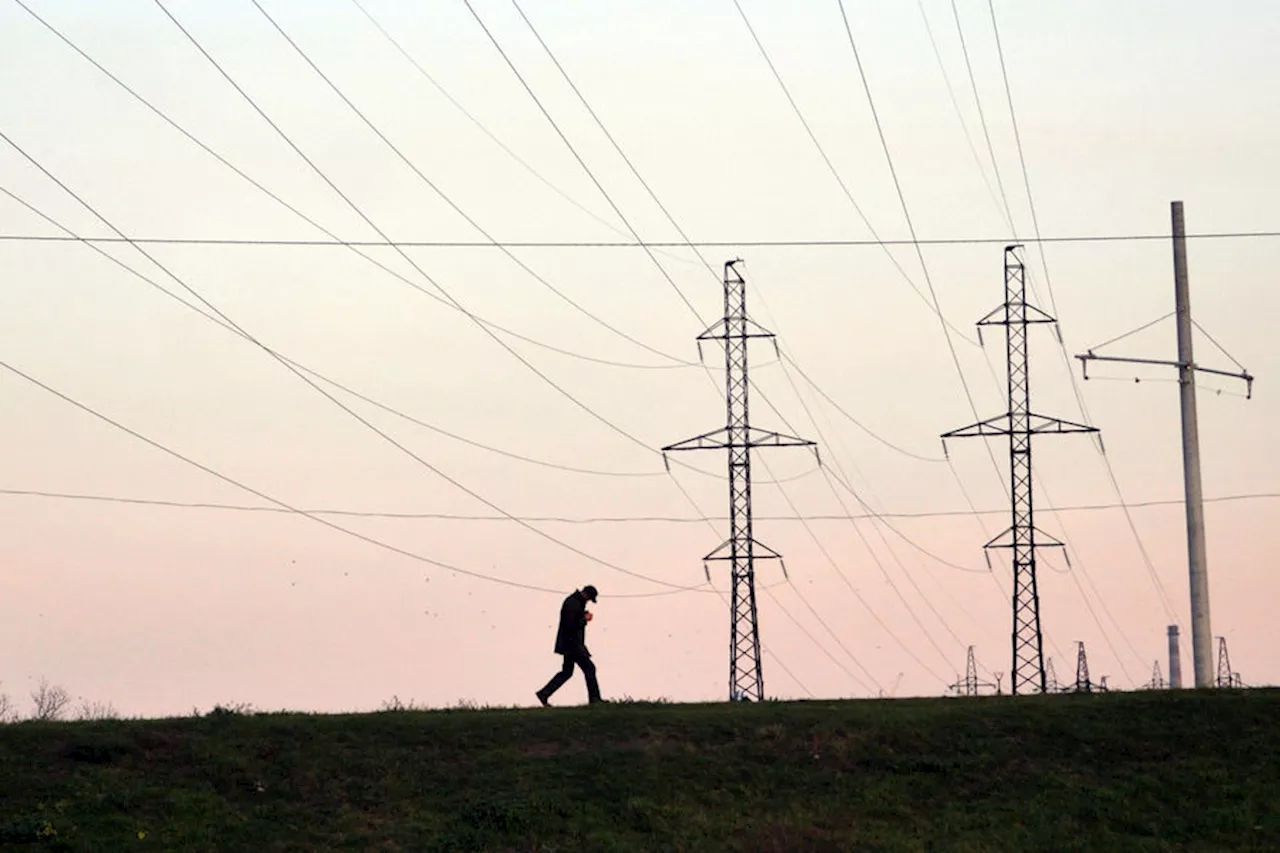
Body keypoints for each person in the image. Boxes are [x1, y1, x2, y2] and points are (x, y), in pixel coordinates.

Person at [535, 585, 603, 706]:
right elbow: (571, 624)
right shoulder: (573, 603)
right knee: (589, 669)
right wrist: (585, 619)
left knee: (567, 672)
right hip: (573, 645)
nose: (588, 602)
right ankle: (595, 699)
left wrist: (582, 616)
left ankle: (544, 693)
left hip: (569, 645)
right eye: (589, 599)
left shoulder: (574, 602)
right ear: (586, 594)